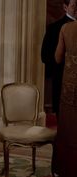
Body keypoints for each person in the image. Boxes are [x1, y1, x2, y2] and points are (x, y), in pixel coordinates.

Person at [41, 0, 77, 118]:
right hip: (62, 80)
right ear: (65, 7)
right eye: (74, 5)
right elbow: (45, 56)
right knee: (63, 120)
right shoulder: (54, 28)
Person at [55, 18, 77, 177]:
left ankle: (65, 171)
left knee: (68, 128)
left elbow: (58, 58)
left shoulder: (66, 28)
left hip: (69, 86)